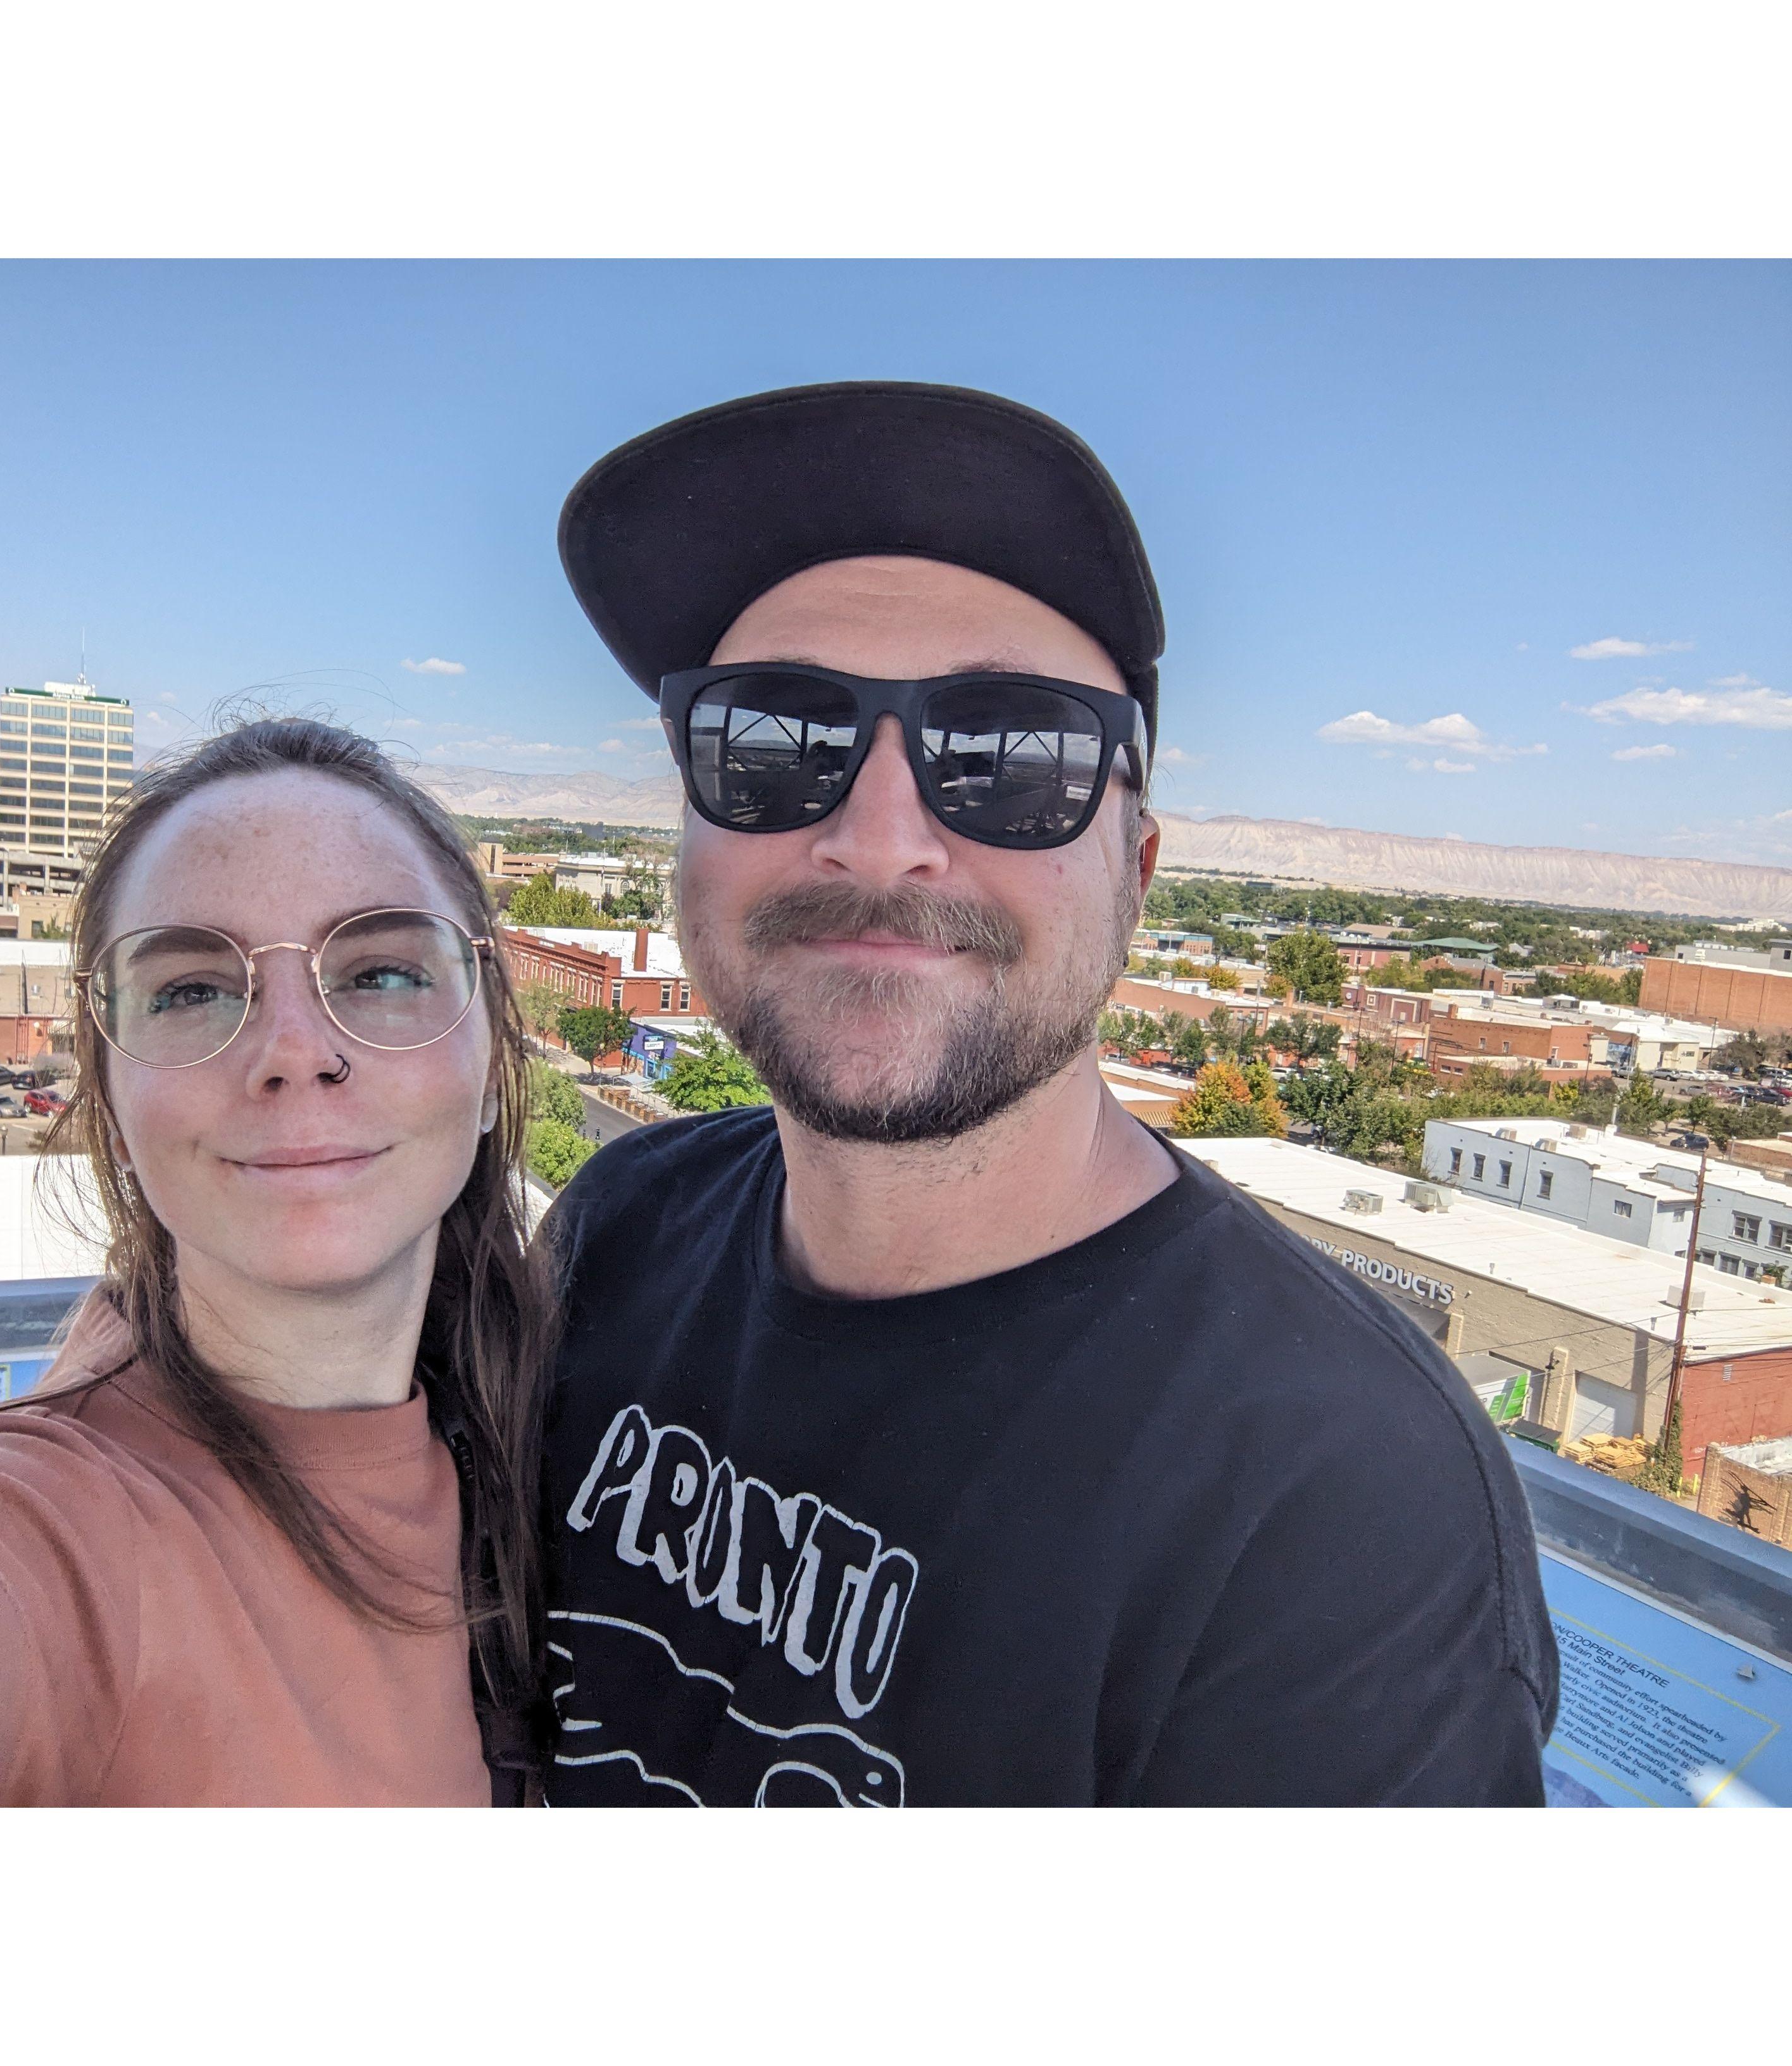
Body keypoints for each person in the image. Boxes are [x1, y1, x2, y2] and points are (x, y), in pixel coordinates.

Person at [539, 381, 1559, 1806]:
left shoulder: (1333, 1497)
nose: (879, 840)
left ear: (1136, 875)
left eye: (1012, 758)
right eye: (772, 740)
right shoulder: (616, 1227)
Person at [0, 718, 551, 1806]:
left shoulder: (561, 1424)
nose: (296, 1049)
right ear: (109, 1108)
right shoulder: (41, 1546)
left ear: (491, 1062)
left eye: (384, 971)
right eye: (191, 990)